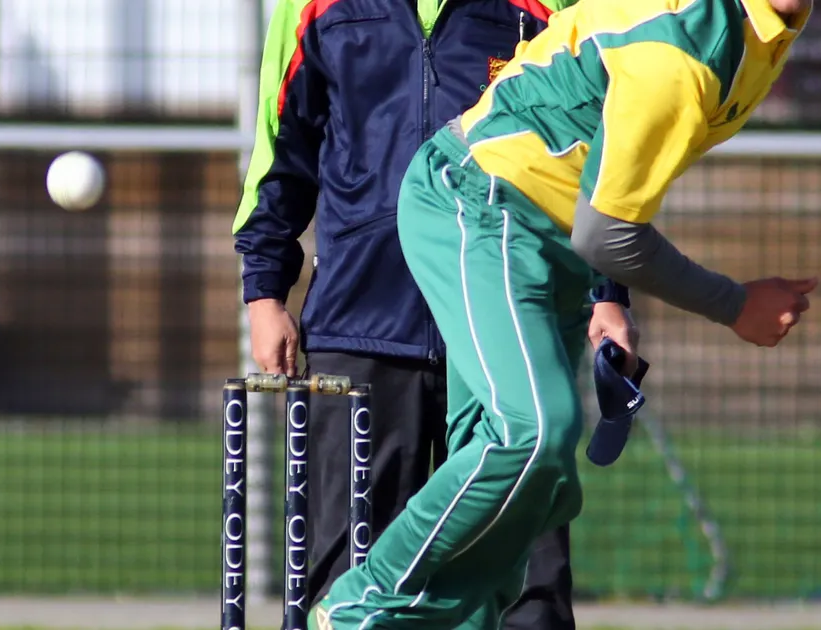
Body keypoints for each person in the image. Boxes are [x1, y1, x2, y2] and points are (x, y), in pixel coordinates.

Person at [313, 0, 819, 627]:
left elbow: (609, 184)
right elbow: (608, 233)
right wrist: (734, 304)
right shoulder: (683, 51)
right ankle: (362, 607)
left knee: (540, 474)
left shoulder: (766, 34)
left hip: (548, 239)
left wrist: (606, 294)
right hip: (478, 200)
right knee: (532, 433)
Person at [231, 0, 637, 628]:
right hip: (360, 320)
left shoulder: (546, 8)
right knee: (346, 567)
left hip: (506, 314)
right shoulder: (313, 8)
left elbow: (592, 146)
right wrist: (264, 293)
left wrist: (607, 290)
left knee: (530, 582)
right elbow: (283, 149)